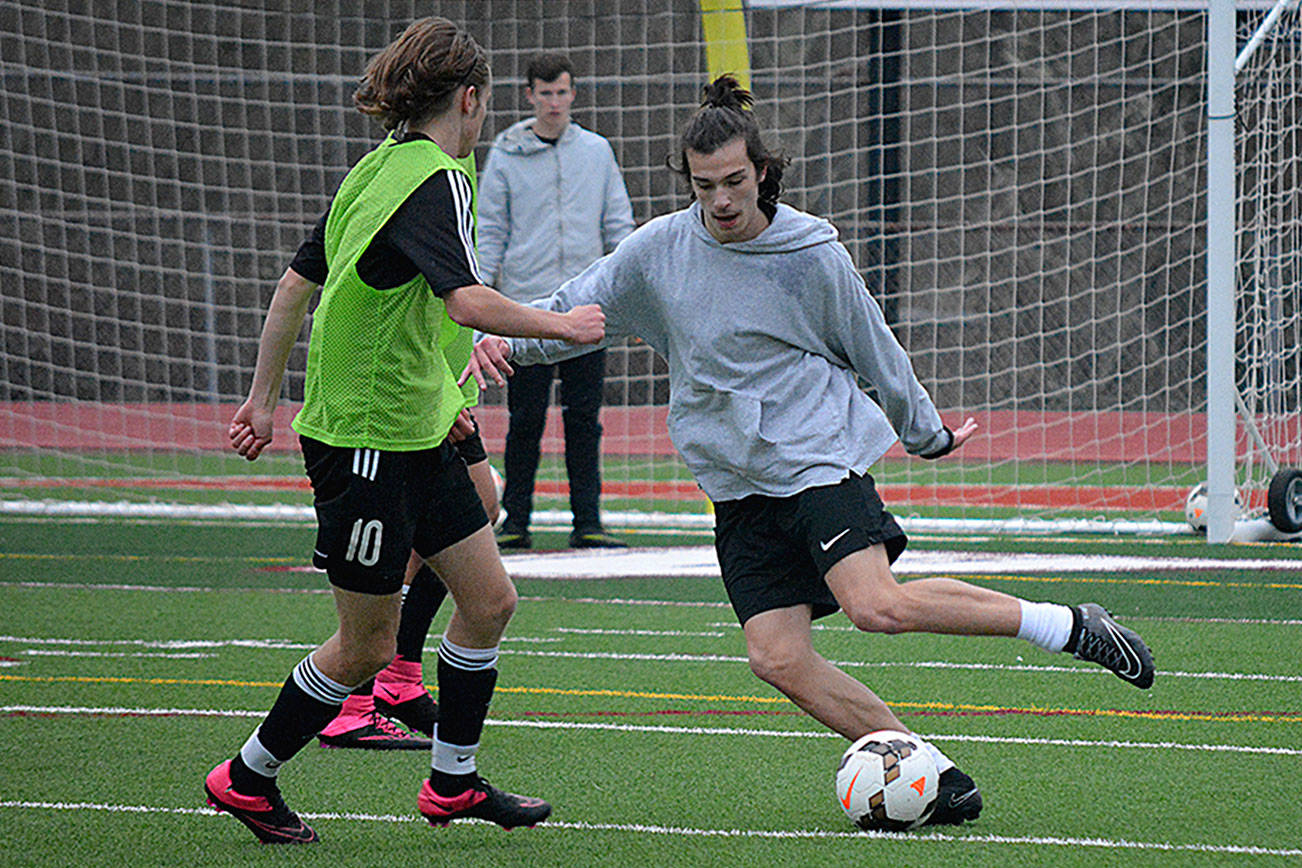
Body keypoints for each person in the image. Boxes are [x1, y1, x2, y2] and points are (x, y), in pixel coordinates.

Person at [466, 76, 1156, 826]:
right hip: (734, 482)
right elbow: (575, 306)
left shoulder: (810, 255)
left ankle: (1069, 625)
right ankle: (928, 773)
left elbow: (876, 351)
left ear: (761, 170)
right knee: (778, 659)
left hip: (816, 457)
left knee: (876, 607)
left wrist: (924, 435)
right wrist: (502, 338)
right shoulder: (659, 250)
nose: (721, 200)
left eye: (734, 181)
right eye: (705, 187)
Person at [204, 17, 605, 844]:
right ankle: (246, 776)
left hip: (412, 429)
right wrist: (556, 328)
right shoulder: (439, 177)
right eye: (486, 102)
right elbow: (461, 298)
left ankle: (452, 784)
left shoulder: (376, 169)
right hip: (365, 442)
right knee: (364, 647)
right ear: (469, 99)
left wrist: (262, 401)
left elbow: (294, 289)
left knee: (489, 600)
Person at [477, 52, 636, 550]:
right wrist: (479, 299)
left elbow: (618, 225)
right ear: (529, 95)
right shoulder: (505, 152)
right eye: (544, 93)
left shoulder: (597, 151)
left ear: (573, 93)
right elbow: (491, 232)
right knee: (525, 420)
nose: (553, 102)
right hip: (525, 310)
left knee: (583, 419)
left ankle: (587, 521)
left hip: (585, 310)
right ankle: (516, 520)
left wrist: (624, 287)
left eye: (561, 92)